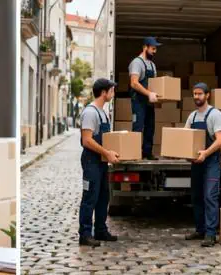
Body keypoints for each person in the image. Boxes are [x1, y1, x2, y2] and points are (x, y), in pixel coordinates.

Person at [78, 78, 121, 247]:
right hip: (91, 160)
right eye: (111, 90)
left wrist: (113, 151)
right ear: (104, 93)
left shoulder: (103, 112)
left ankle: (101, 230)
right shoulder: (90, 113)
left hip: (101, 160)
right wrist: (106, 153)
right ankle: (85, 234)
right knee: (90, 197)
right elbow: (87, 140)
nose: (113, 93)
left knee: (104, 196)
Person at [183, 83, 221, 247]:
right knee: (196, 196)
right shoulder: (192, 117)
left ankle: (210, 233)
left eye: (200, 94)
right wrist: (186, 154)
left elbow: (220, 140)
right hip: (196, 163)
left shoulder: (215, 115)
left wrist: (205, 153)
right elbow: (185, 138)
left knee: (210, 196)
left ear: (207, 95)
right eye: (194, 94)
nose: (196, 97)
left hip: (211, 162)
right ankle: (200, 229)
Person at [129, 37, 162, 159]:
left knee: (150, 127)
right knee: (138, 127)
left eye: (156, 49)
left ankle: (147, 153)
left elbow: (154, 84)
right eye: (153, 48)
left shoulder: (152, 65)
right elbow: (134, 83)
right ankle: (134, 153)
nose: (155, 51)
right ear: (145, 47)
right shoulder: (137, 63)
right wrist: (148, 94)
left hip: (149, 102)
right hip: (138, 101)